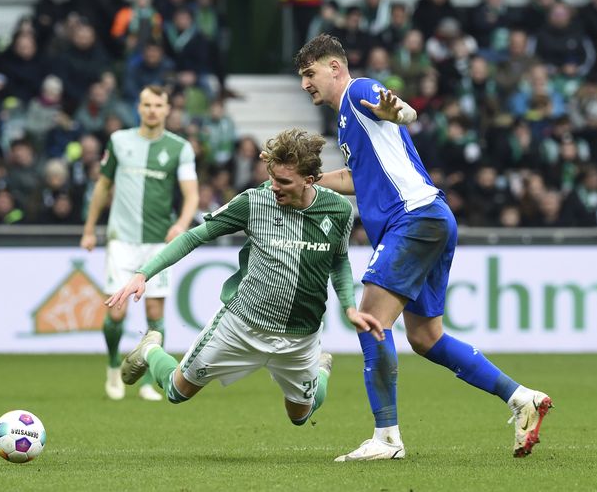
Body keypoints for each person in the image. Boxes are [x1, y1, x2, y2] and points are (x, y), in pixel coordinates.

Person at [293, 34, 553, 460]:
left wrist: (400, 109)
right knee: (426, 337)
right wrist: (312, 183)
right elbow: (360, 178)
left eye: (310, 73)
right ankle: (521, 397)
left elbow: (396, 107)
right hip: (431, 217)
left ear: (335, 68)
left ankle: (386, 438)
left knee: (370, 319)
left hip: (411, 218)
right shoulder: (348, 121)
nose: (305, 84)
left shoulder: (359, 92)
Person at [105, 128, 384, 426]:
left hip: (301, 336)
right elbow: (194, 236)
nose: (274, 187)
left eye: (284, 182)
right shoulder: (254, 202)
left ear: (310, 180)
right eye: (272, 177)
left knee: (300, 417)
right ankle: (149, 348)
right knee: (176, 392)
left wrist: (349, 307)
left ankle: (320, 369)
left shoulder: (339, 210)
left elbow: (339, 262)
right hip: (241, 325)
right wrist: (143, 273)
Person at [80, 85, 199, 402]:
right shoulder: (119, 141)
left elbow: (191, 195)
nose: (152, 110)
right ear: (139, 107)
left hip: (159, 244)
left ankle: (147, 379)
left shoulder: (179, 148)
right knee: (116, 312)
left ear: (167, 108)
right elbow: (103, 187)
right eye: (146, 104)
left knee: (154, 311)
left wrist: (181, 225)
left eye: (158, 105)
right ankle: (111, 367)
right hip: (121, 240)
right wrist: (90, 229)